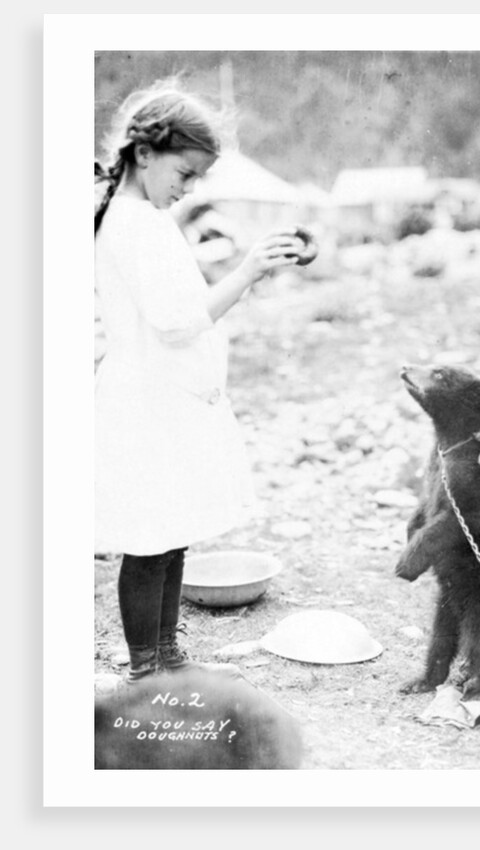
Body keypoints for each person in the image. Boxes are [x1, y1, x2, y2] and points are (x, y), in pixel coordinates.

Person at [94, 81, 304, 682]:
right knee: (149, 533)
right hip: (147, 399)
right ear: (145, 154)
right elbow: (177, 320)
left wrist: (234, 272)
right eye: (183, 174)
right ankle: (145, 667)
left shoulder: (146, 217)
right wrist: (247, 271)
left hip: (167, 395)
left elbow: (177, 300)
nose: (186, 190)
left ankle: (167, 656)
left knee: (173, 527)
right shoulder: (134, 224)